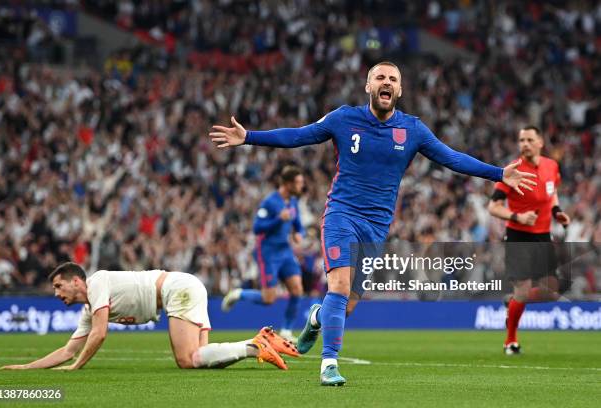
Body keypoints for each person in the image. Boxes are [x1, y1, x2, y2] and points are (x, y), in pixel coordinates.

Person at [209, 61, 536, 386]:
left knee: (347, 306)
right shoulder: (343, 118)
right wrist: (249, 136)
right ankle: (329, 364)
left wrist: (499, 173)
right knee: (337, 287)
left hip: (376, 227)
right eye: (380, 77)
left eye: (393, 78)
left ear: (400, 90)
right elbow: (299, 135)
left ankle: (316, 317)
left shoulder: (412, 130)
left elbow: (453, 158)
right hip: (342, 214)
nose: (387, 82)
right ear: (368, 86)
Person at [0, 262, 299, 371]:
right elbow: (68, 349)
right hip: (185, 286)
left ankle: (256, 344)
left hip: (176, 289)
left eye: (58, 285)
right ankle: (262, 343)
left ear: (76, 281)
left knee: (186, 360)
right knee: (203, 360)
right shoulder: (90, 309)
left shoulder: (97, 281)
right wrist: (26, 367)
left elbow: (100, 334)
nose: (55, 293)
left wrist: (76, 367)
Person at [488, 126, 570, 355]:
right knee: (523, 291)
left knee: (551, 292)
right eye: (521, 139)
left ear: (540, 142)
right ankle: (510, 341)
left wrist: (557, 212)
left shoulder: (551, 166)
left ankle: (512, 301)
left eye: (529, 139)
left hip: (543, 235)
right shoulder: (512, 171)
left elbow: (552, 192)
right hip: (518, 235)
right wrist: (518, 217)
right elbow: (492, 207)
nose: (524, 143)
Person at [222, 166, 305, 342]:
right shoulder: (270, 202)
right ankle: (239, 294)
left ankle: (287, 331)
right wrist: (278, 219)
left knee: (297, 289)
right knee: (269, 299)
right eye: (298, 183)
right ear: (288, 183)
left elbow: (298, 225)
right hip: (268, 252)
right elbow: (257, 227)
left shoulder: (293, 202)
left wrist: (299, 234)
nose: (301, 186)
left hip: (285, 250)